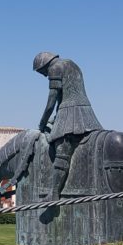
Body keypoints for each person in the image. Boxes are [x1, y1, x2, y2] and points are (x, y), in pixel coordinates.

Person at [33, 51, 104, 199]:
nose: (45, 75)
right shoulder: (72, 64)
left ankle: (53, 193)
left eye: (42, 72)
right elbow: (66, 94)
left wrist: (42, 123)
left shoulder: (55, 67)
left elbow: (51, 102)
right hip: (86, 112)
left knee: (62, 150)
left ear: (45, 64)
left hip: (70, 113)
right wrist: (54, 119)